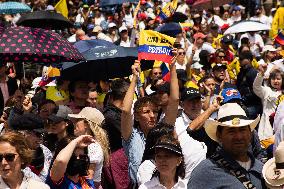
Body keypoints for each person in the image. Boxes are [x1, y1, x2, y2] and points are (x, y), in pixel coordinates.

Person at [121, 57, 179, 184]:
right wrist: (135, 78)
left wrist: (173, 67)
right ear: (136, 117)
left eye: (155, 111)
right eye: (146, 112)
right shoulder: (131, 136)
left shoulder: (163, 131)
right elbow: (125, 110)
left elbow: (174, 101)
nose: (152, 115)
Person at [188, 103, 265, 188]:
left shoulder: (262, 170)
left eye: (242, 130)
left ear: (250, 133)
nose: (238, 137)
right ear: (219, 135)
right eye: (231, 131)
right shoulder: (205, 172)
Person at [68, 107, 110, 188]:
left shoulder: (93, 146)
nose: (74, 123)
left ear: (87, 124)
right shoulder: (86, 144)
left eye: (78, 120)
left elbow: (89, 178)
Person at [253, 64, 283, 143]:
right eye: (273, 79)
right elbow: (256, 87)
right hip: (267, 127)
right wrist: (261, 73)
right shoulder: (267, 91)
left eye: (278, 79)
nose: (275, 81)